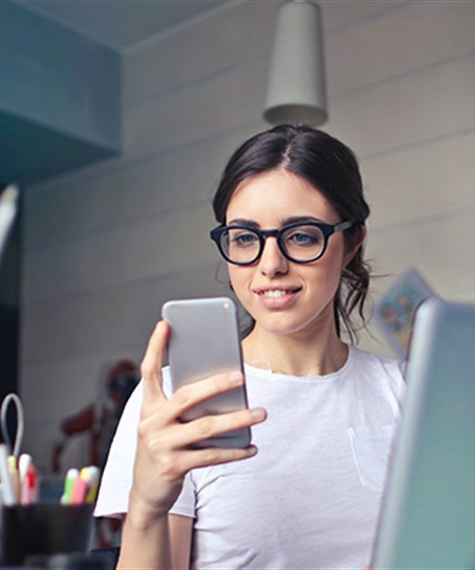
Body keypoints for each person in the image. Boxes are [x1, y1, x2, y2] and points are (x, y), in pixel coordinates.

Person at [93, 124, 405, 568]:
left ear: (353, 242)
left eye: (301, 236)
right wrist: (146, 508)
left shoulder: (407, 393)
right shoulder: (173, 403)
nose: (270, 265)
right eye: (245, 238)